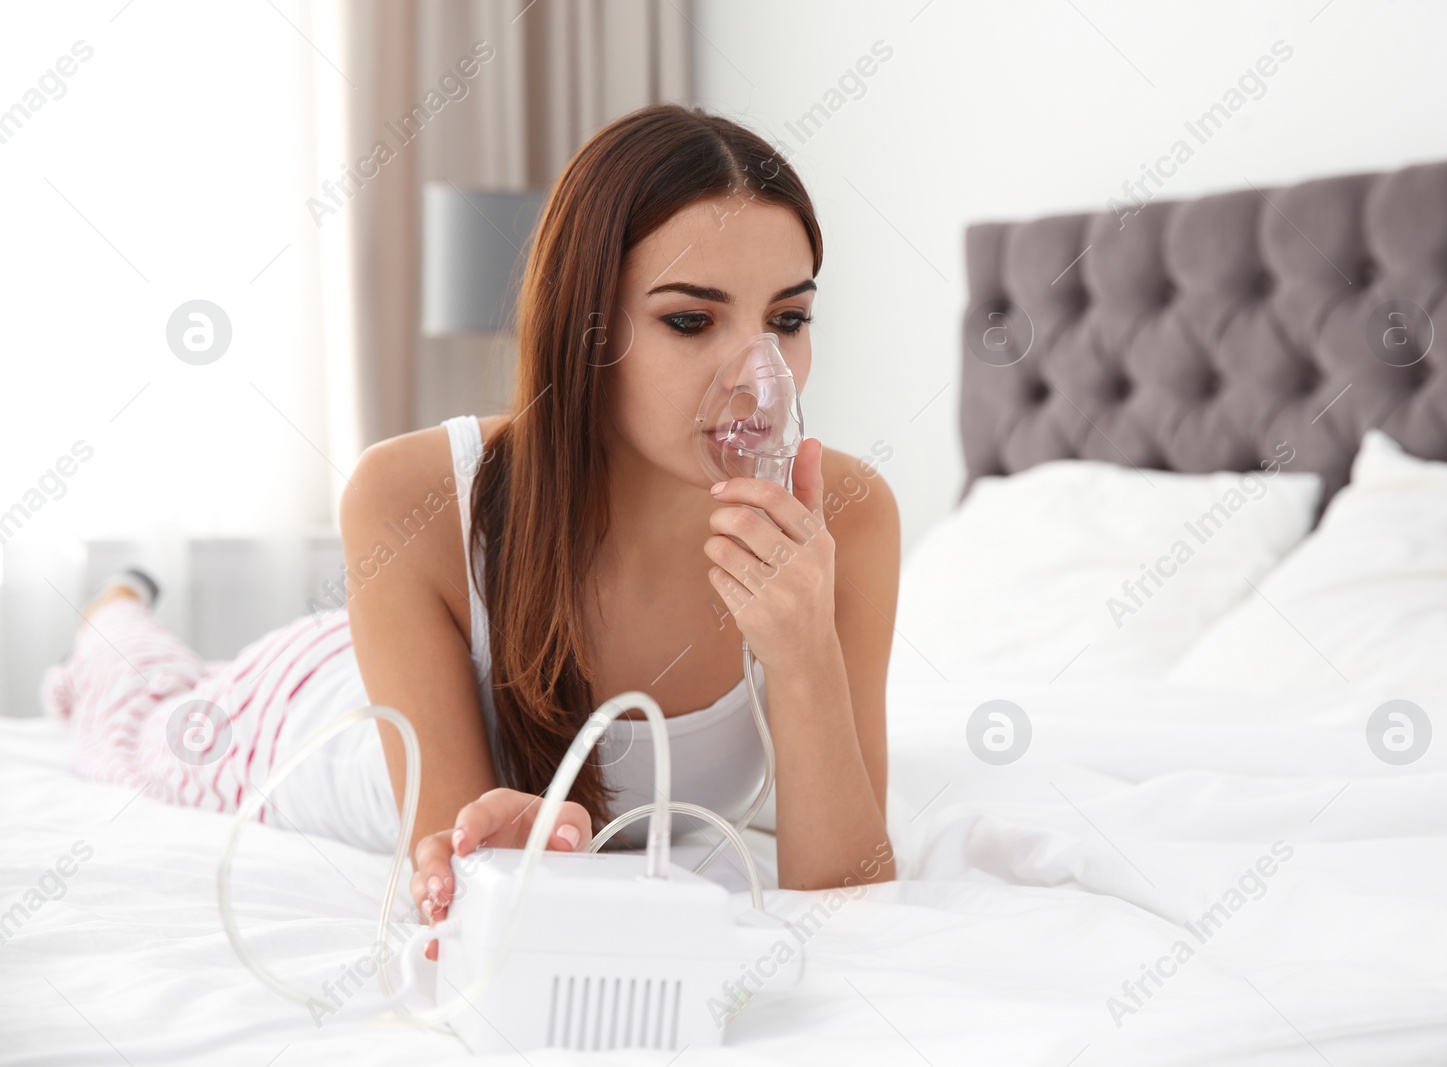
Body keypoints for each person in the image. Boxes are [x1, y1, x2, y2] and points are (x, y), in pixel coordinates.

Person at [41, 103, 899, 961]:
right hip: (310, 699)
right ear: (585, 325)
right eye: (690, 320)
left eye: (788, 320)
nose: (760, 378)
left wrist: (803, 653)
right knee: (143, 708)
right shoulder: (410, 495)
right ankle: (113, 613)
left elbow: (850, 896)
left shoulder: (847, 519)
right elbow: (450, 887)